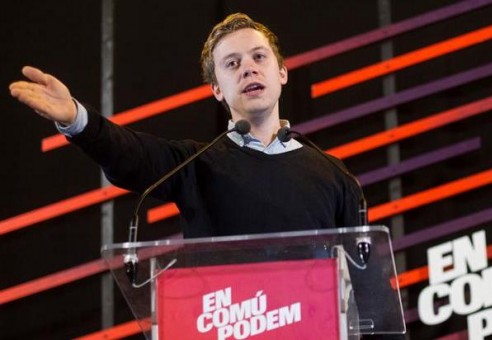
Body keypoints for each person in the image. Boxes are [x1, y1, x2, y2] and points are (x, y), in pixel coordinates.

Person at [9, 13, 363, 239]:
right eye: (232, 63)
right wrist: (76, 119)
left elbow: (366, 288)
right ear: (216, 89)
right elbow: (129, 154)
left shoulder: (335, 175)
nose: (249, 69)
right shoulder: (196, 165)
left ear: (282, 72)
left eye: (259, 57)